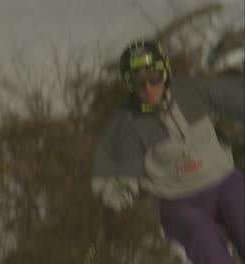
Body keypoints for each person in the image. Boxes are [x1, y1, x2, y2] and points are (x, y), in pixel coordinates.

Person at [90, 40, 244, 264]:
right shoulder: (126, 123)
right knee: (202, 239)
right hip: (176, 201)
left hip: (223, 181)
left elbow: (234, 95)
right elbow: (112, 168)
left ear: (165, 71)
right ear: (129, 84)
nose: (148, 88)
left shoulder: (193, 91)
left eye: (154, 77)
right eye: (138, 82)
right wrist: (113, 191)